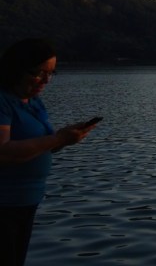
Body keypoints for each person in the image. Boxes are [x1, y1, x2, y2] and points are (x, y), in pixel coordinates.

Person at [0, 38, 97, 266]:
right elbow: (2, 152)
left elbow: (40, 147)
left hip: (26, 201)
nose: (45, 80)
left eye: (51, 73)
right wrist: (57, 138)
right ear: (16, 68)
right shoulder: (2, 101)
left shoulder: (33, 102)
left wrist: (64, 140)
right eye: (38, 73)